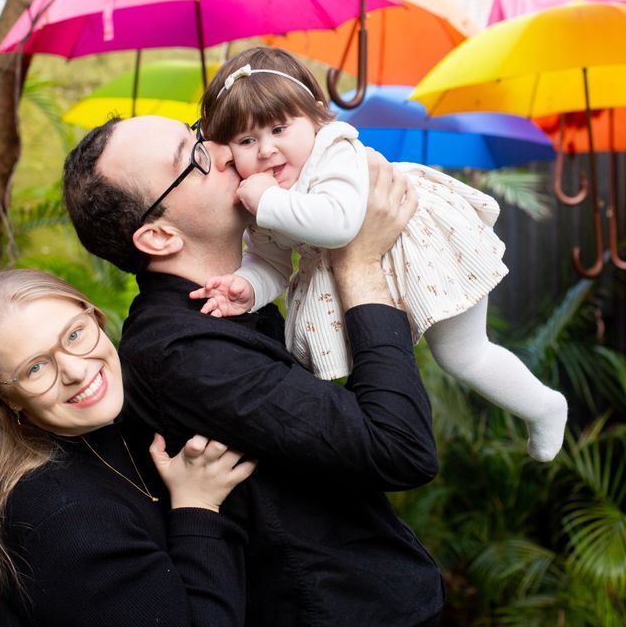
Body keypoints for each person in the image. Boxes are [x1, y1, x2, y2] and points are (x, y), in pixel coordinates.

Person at [63, 120, 444, 626]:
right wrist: (359, 263)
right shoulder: (182, 352)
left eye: (198, 131)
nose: (225, 150)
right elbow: (399, 448)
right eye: (193, 156)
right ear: (159, 236)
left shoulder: (232, 297)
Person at [194, 46, 568, 462]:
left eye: (279, 129)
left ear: (316, 118)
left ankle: (545, 406)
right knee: (364, 368)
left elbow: (338, 223)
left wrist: (266, 202)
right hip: (366, 269)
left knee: (463, 354)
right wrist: (248, 285)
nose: (265, 150)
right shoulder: (263, 194)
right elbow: (270, 261)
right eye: (247, 140)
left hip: (423, 243)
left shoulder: (333, 150)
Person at [0, 268, 256, 627]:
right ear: (6, 398)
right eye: (36, 368)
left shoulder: (124, 427)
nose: (74, 370)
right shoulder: (64, 518)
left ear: (96, 317)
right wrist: (197, 507)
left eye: (75, 334)